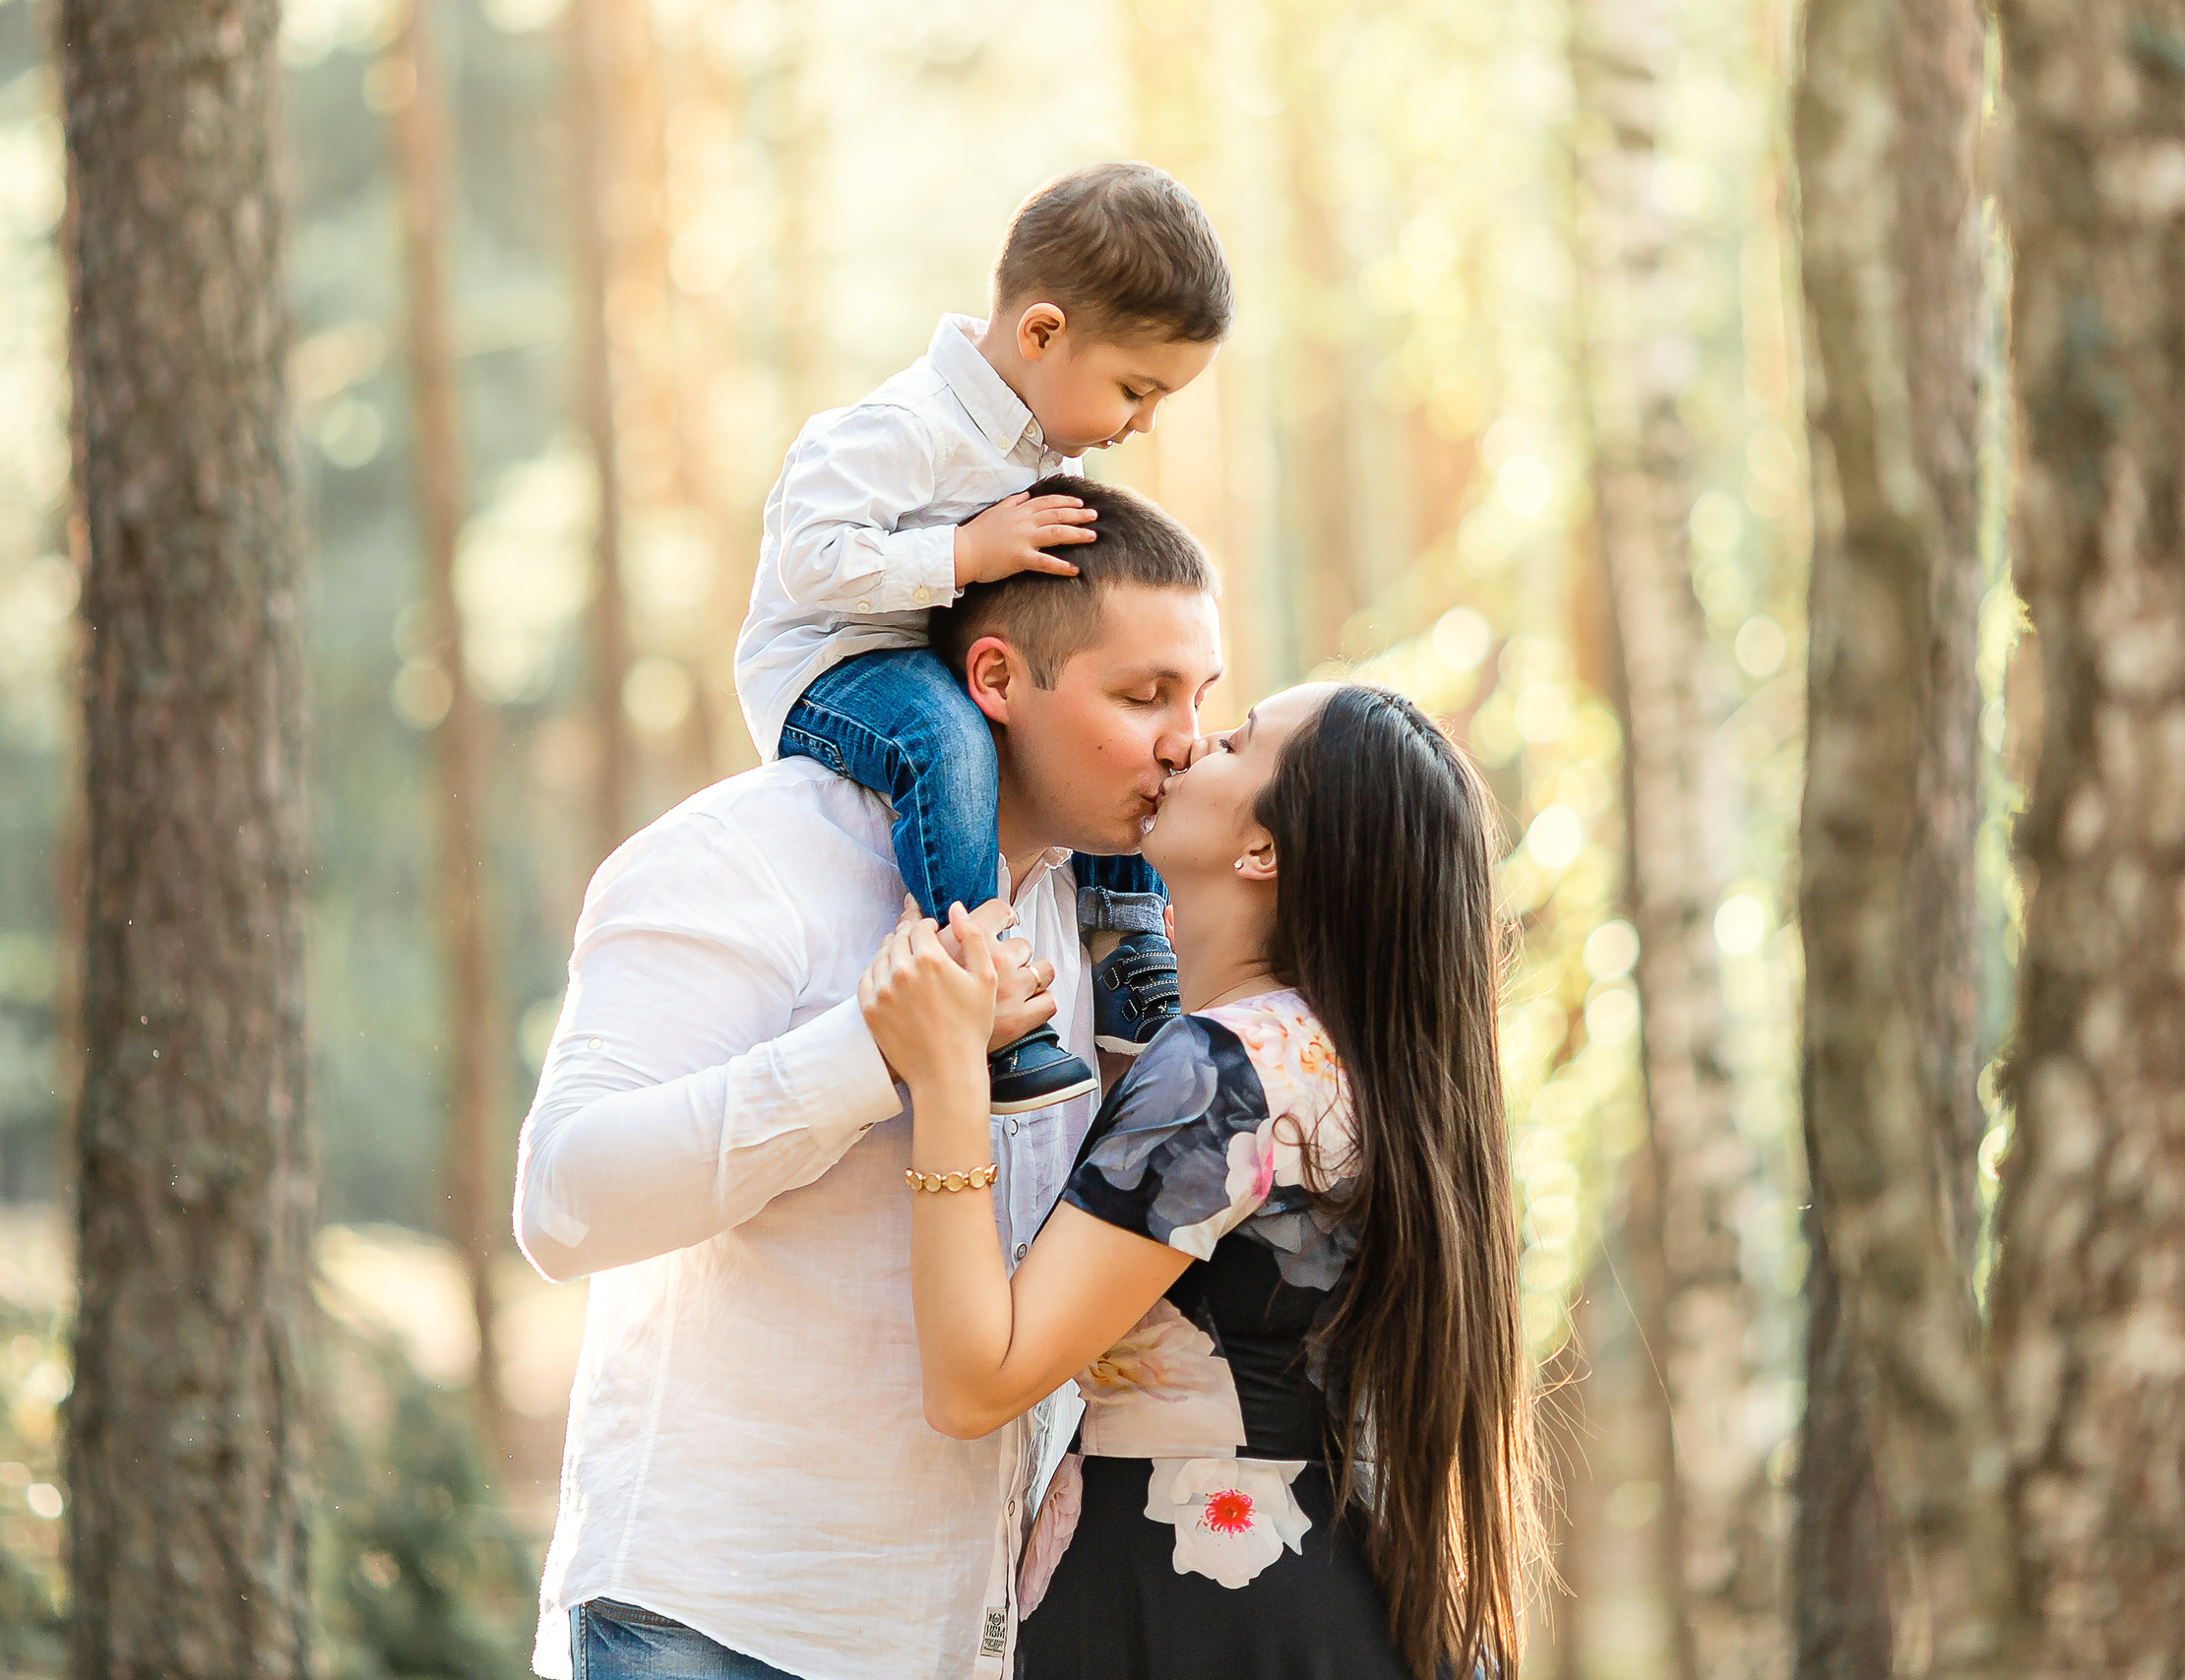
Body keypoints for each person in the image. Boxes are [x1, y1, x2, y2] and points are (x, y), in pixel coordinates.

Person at [512, 483, 1223, 1680]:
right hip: (715, 1622)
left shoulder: (1093, 921)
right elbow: (562, 1205)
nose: (1184, 741)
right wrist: (869, 1053)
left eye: (1198, 698)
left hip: (958, 1639)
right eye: (1142, 695)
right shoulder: (748, 855)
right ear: (995, 681)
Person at [860, 683, 1539, 1680]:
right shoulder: (1362, 1065)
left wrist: (948, 1072)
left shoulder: (1221, 1069)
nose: (1184, 749)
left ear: (1263, 850)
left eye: (1231, 742)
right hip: (1344, 1599)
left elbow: (975, 1383)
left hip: (1183, 1607)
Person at [736, 159, 1235, 1116]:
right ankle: (983, 978)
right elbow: (809, 559)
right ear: (1042, 332)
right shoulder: (898, 426)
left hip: (936, 654)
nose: (1143, 422)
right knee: (949, 739)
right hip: (831, 663)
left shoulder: (1043, 436)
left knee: (1105, 750)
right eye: (1136, 389)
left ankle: (1128, 948)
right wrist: (961, 552)